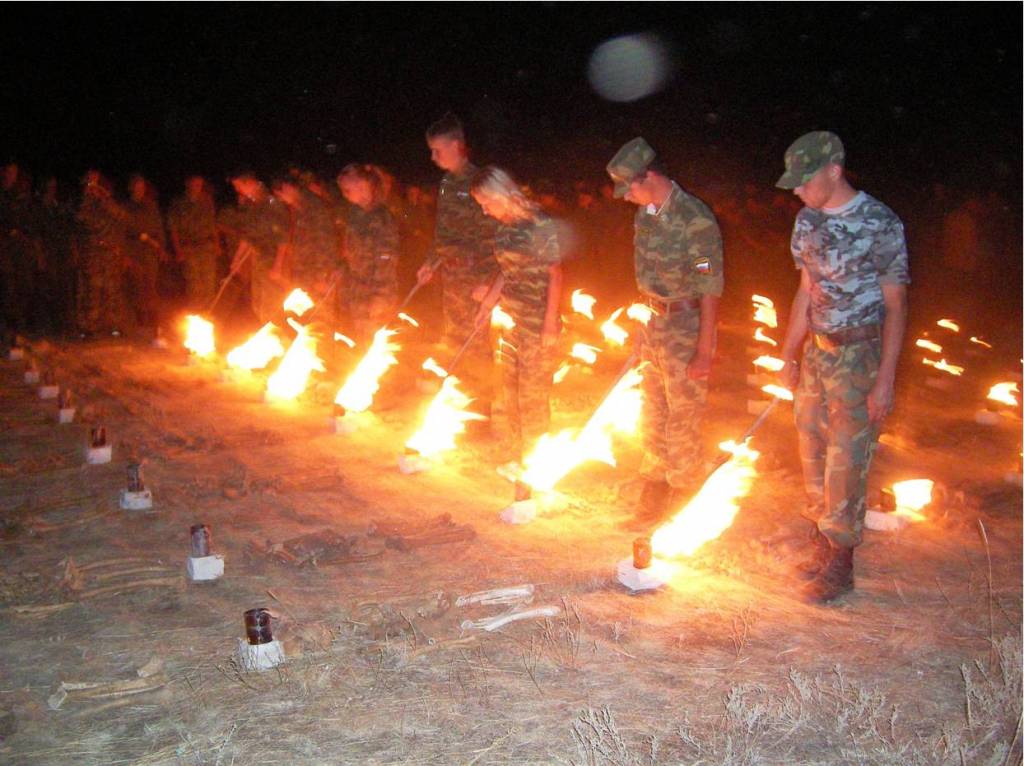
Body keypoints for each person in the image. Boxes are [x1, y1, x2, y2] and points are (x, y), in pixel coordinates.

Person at [775, 131, 909, 604]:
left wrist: (886, 378)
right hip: (818, 349)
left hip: (860, 352)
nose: (796, 190)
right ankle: (821, 534)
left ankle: (841, 558)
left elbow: (896, 304)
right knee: (809, 438)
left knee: (847, 457)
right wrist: (789, 353)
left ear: (834, 170)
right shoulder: (807, 221)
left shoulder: (879, 222)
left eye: (803, 180)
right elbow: (804, 289)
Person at [606, 138, 724, 528]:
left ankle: (683, 497)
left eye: (631, 188)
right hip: (652, 324)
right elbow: (646, 280)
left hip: (685, 325)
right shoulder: (645, 216)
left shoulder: (696, 219)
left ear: (651, 176)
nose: (628, 198)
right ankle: (654, 489)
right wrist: (641, 330)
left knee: (683, 417)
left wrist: (705, 349)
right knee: (652, 411)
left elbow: (709, 286)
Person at [470, 167, 563, 482]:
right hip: (510, 318)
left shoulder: (539, 223)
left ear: (501, 195)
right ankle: (513, 454)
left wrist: (550, 322)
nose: (484, 209)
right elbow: (504, 272)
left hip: (537, 318)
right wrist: (488, 304)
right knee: (507, 389)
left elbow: (555, 273)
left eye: (486, 202)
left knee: (533, 394)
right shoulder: (504, 228)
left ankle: (537, 462)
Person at [416, 114, 498, 405]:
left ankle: (480, 403)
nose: (433, 156)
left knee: (476, 339)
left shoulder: (480, 182)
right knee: (454, 337)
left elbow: (493, 236)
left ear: (456, 145)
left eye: (438, 150)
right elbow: (442, 230)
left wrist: (488, 284)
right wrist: (430, 261)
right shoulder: (447, 183)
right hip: (451, 277)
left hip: (475, 276)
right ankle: (461, 400)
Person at [337, 164, 400, 341]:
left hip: (376, 291)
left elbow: (386, 259)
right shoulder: (355, 214)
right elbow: (350, 249)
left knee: (375, 343)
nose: (344, 194)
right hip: (357, 289)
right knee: (359, 339)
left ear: (362, 186)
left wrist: (380, 296)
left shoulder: (381, 217)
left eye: (347, 189)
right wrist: (341, 268)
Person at [272, 177, 341, 326]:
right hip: (304, 275)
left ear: (288, 187)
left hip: (319, 276)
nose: (281, 199)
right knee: (305, 320)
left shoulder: (316, 207)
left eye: (280, 194)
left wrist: (323, 275)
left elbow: (326, 243)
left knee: (322, 320)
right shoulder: (298, 209)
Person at [225, 171, 290, 323]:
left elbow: (283, 237)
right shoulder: (251, 204)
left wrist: (278, 266)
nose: (237, 190)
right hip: (259, 260)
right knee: (258, 304)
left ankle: (277, 339)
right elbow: (248, 236)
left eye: (238, 186)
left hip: (273, 259)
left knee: (271, 306)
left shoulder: (272, 202)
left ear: (249, 182)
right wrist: (236, 260)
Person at [75, 170, 129, 337]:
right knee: (92, 290)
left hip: (110, 253)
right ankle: (89, 328)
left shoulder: (108, 201)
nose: (92, 186)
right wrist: (89, 199)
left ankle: (114, 326)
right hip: (92, 253)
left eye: (95, 182)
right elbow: (80, 221)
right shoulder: (82, 204)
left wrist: (104, 200)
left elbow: (124, 218)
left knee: (113, 289)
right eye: (89, 182)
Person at [168, 176, 220, 311]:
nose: (198, 187)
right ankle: (197, 314)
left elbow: (212, 224)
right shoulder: (178, 203)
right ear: (188, 184)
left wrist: (217, 244)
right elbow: (173, 229)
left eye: (200, 184)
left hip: (206, 246)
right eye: (195, 184)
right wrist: (178, 250)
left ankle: (209, 315)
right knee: (194, 285)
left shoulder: (207, 201)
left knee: (209, 284)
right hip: (189, 248)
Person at [123, 174, 166, 332]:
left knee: (151, 284)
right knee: (137, 284)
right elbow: (122, 232)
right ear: (131, 188)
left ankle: (153, 319)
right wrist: (125, 256)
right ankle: (140, 319)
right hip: (134, 249)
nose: (139, 190)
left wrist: (161, 247)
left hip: (150, 251)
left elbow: (159, 228)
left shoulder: (151, 206)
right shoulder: (125, 207)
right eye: (136, 187)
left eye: (142, 187)